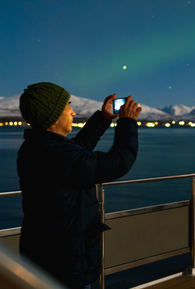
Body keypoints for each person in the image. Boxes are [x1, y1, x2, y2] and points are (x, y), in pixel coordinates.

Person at [17, 82, 142, 289]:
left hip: (44, 254)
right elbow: (118, 163)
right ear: (54, 115)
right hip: (65, 262)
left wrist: (102, 119)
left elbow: (77, 151)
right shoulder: (59, 154)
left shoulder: (37, 147)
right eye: (68, 106)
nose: (73, 112)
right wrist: (127, 122)